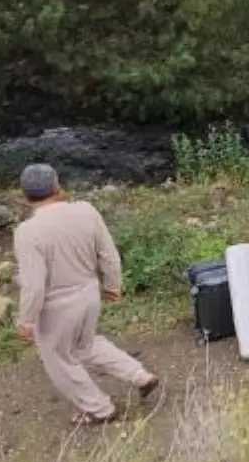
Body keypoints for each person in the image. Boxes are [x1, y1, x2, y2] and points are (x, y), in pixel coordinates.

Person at [12, 164, 159, 425]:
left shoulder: (27, 232)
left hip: (56, 305)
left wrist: (26, 320)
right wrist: (112, 285)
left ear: (25, 195)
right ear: (58, 186)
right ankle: (139, 375)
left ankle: (99, 409)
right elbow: (109, 255)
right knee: (86, 346)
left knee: (59, 359)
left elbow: (34, 284)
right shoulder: (86, 211)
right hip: (89, 293)